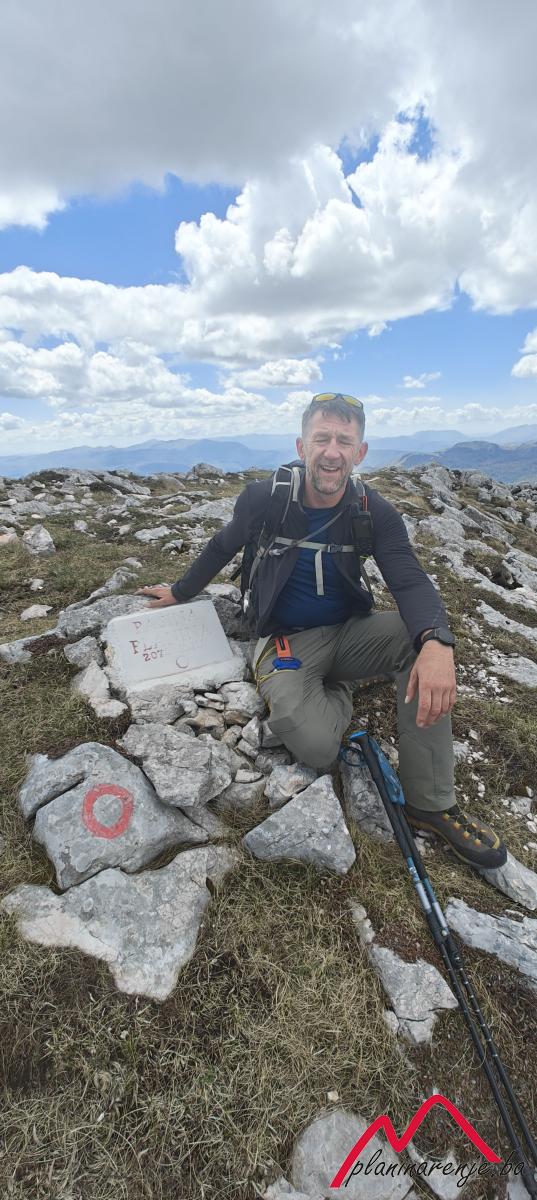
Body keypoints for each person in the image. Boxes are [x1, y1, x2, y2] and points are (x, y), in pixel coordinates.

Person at [138, 392, 507, 870]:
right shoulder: (265, 500)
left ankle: (431, 804)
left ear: (360, 452)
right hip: (284, 639)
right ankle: (340, 686)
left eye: (344, 442)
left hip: (351, 631)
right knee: (315, 746)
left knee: (420, 644)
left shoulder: (372, 510)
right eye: (322, 439)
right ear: (301, 446)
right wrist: (181, 591)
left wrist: (437, 640)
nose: (332, 452)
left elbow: (410, 579)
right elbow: (223, 544)